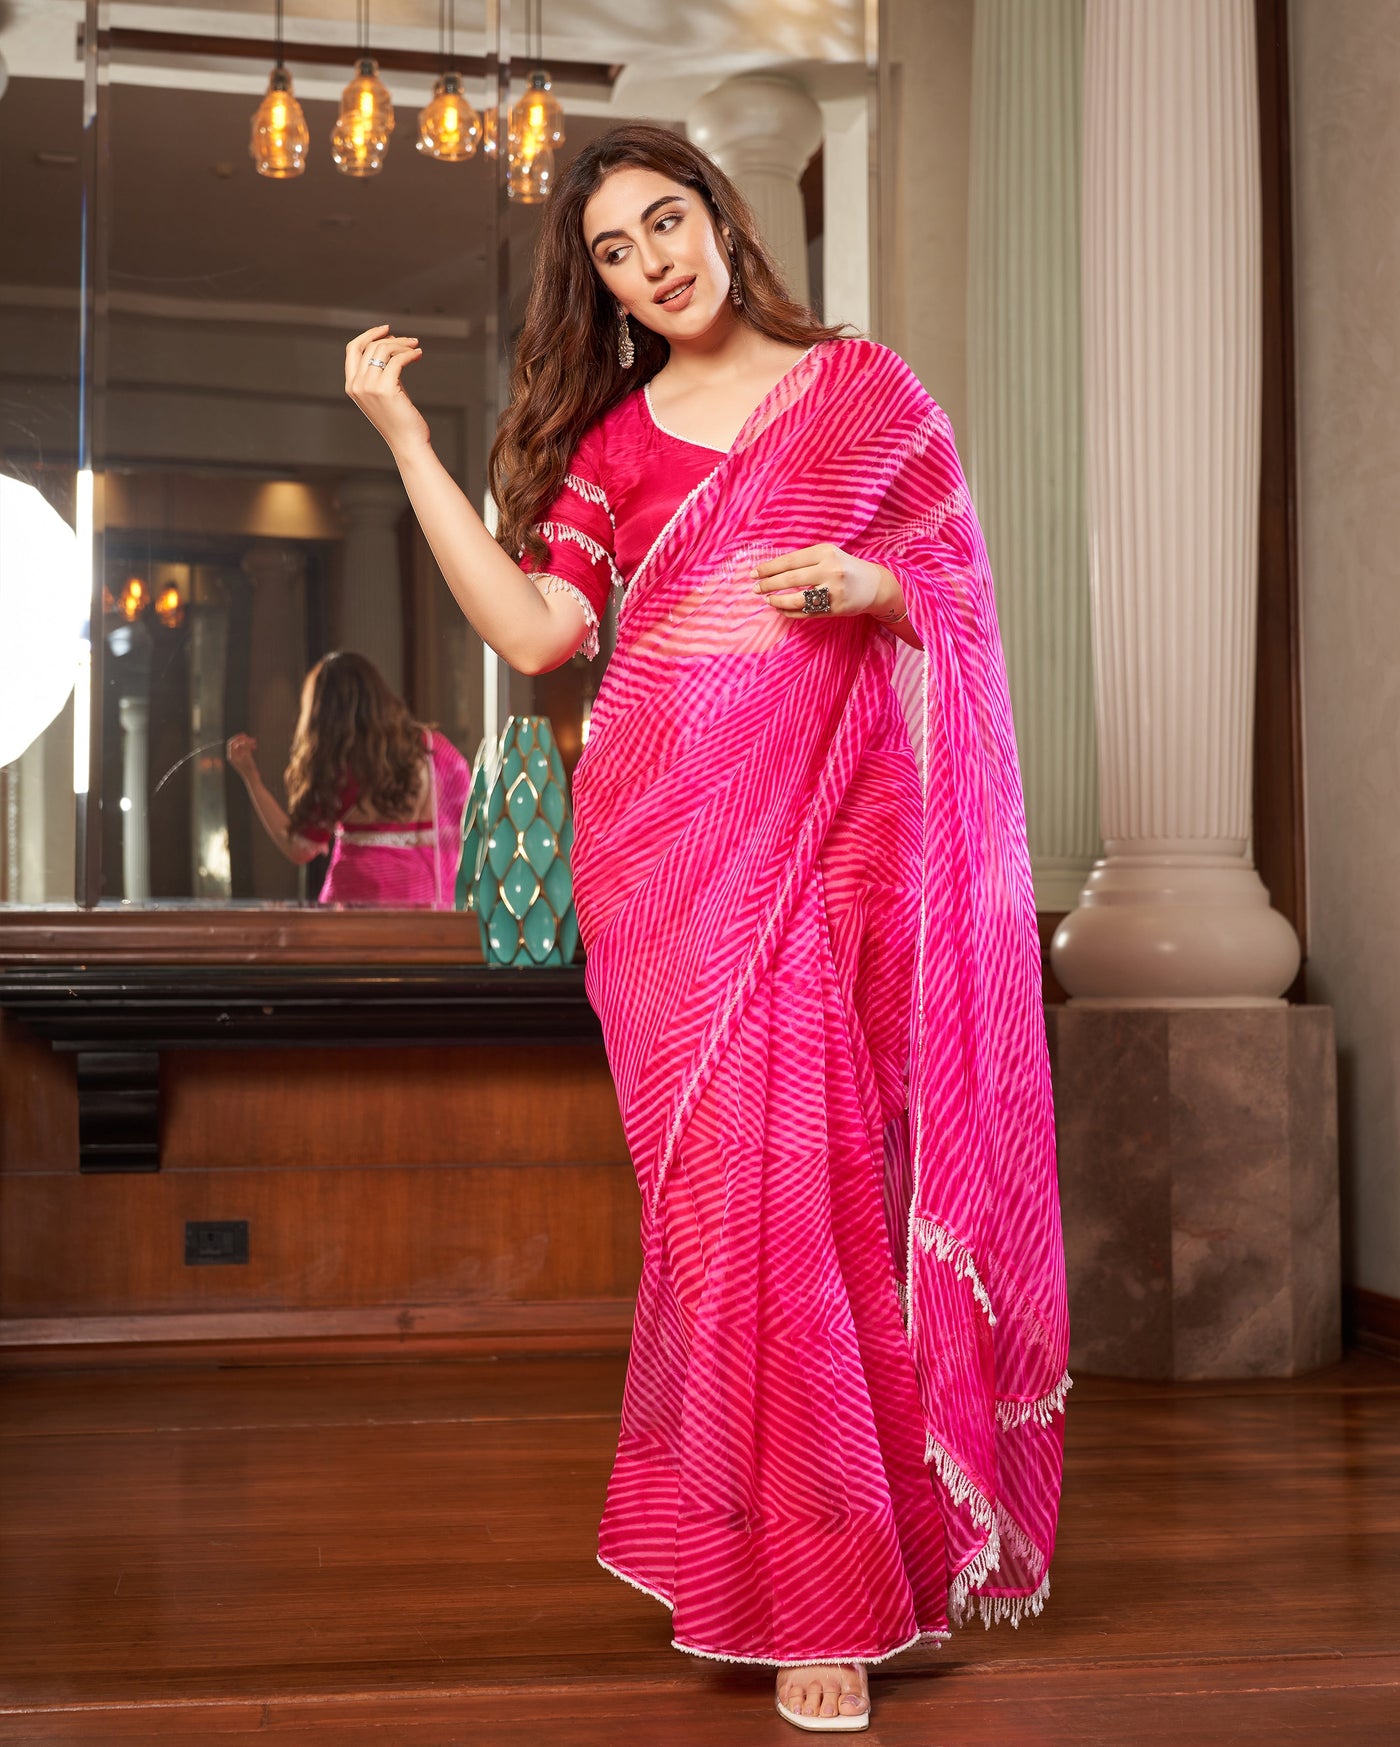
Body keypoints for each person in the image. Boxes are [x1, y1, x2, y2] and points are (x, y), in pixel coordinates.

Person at [344, 123, 1070, 1734]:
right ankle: (782, 1568)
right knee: (736, 1208)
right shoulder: (614, 445)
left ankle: (840, 1584)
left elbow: (955, 590)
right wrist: (405, 440)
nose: (653, 263)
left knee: (824, 1189)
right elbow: (541, 630)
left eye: (665, 222)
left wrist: (872, 588)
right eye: (615, 252)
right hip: (664, 861)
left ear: (720, 220)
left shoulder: (865, 394)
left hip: (841, 842)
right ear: (601, 286)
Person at [227, 651, 469, 910]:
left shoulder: (346, 765)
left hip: (360, 913)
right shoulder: (437, 750)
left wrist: (252, 780)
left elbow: (299, 847)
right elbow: (468, 823)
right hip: (428, 910)